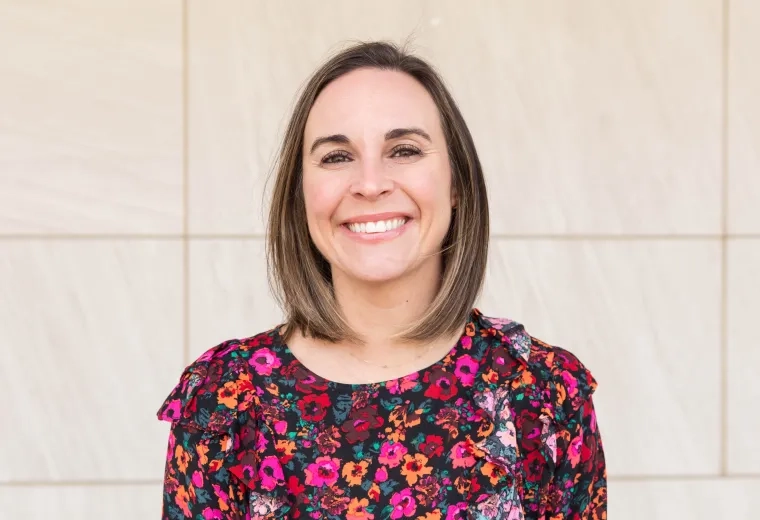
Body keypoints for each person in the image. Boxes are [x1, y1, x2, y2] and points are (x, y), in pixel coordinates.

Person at [157, 40, 607, 519]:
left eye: (404, 150)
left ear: (456, 183)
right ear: (301, 193)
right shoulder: (224, 400)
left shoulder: (542, 392)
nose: (370, 184)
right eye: (336, 157)